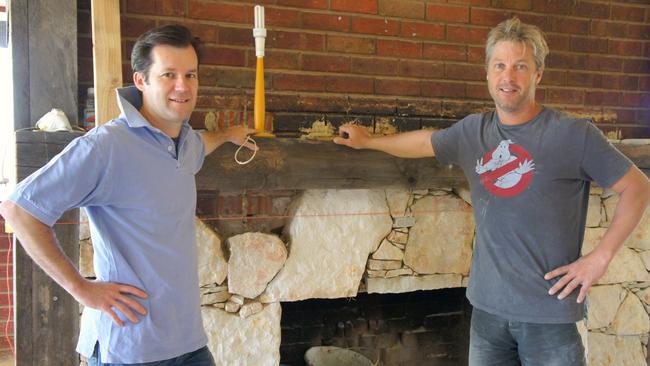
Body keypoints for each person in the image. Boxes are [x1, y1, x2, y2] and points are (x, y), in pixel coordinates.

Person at [334, 17, 650, 365]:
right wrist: (370, 142)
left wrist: (599, 258)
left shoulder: (573, 134)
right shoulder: (474, 133)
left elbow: (637, 188)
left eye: (520, 66)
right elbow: (425, 141)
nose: (508, 77)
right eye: (499, 65)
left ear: (538, 74)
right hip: (487, 313)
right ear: (487, 73)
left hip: (549, 317)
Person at [0, 25, 257, 365]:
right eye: (169, 74)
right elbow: (19, 210)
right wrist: (82, 289)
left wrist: (230, 134)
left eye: (190, 74)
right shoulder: (107, 146)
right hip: (131, 347)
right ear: (140, 80)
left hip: (189, 342)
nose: (183, 86)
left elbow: (204, 143)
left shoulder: (186, 144)